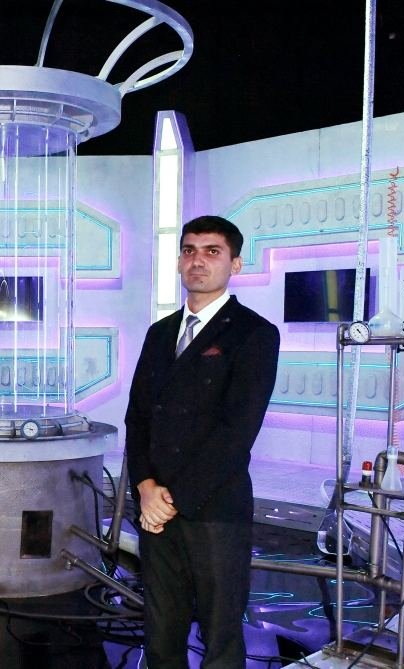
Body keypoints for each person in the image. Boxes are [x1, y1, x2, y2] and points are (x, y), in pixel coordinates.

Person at [124, 215, 280, 668]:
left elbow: (237, 432)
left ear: (235, 263)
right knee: (161, 634)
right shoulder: (159, 333)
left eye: (213, 251)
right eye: (189, 250)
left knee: (220, 638)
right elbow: (137, 418)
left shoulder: (253, 333)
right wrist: (145, 488)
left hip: (214, 509)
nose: (198, 261)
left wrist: (172, 499)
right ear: (178, 261)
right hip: (155, 510)